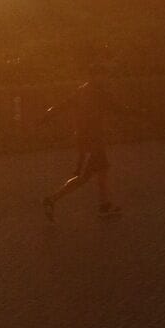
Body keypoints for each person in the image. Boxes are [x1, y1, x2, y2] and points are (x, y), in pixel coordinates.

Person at [41, 78, 129, 221]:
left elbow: (63, 105)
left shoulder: (82, 92)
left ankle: (104, 205)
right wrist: (137, 113)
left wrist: (47, 115)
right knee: (84, 177)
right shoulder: (98, 93)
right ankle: (51, 200)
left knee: (102, 172)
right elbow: (117, 109)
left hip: (91, 140)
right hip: (92, 141)